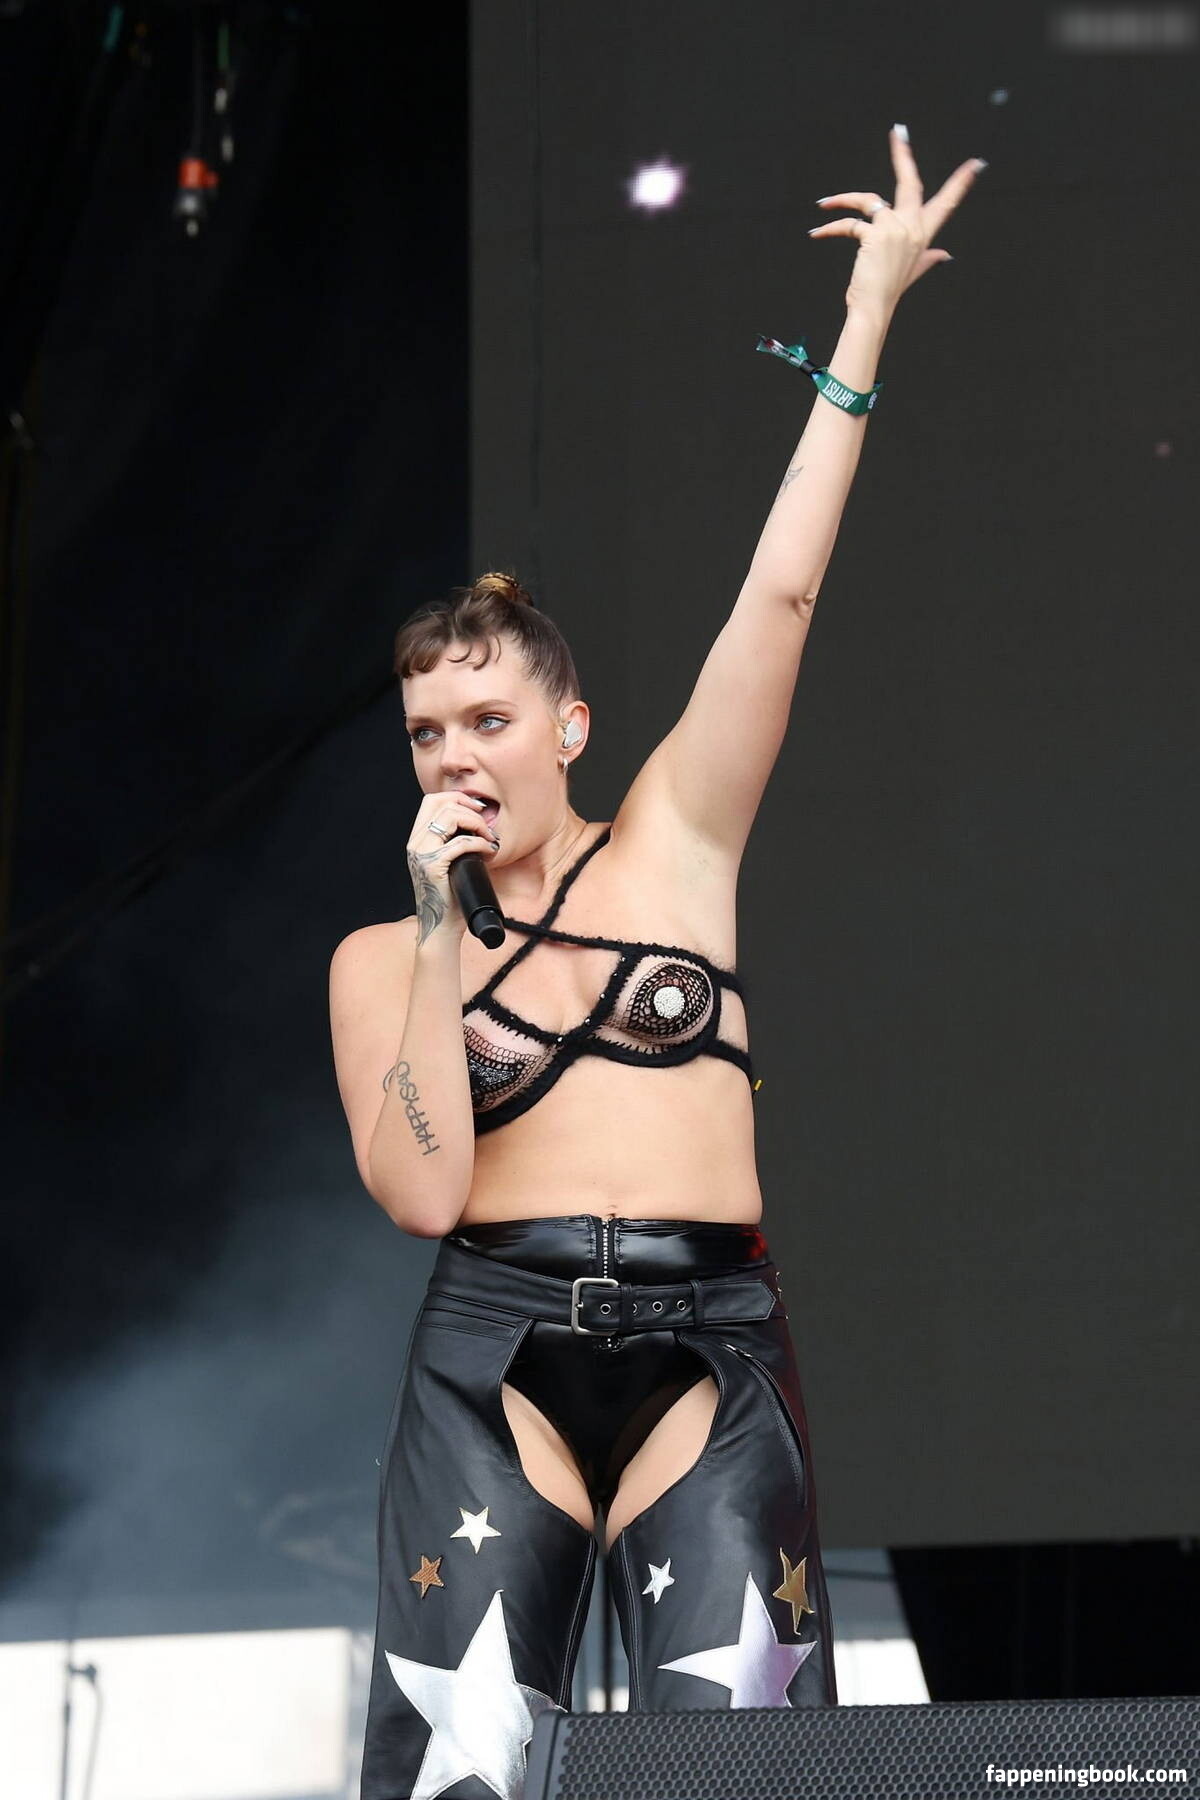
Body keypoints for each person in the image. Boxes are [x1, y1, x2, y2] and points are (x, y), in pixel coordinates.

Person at [330, 126, 984, 1800]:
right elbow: (422, 1193)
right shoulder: (381, 953)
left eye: (488, 720)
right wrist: (435, 933)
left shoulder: (678, 840)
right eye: (426, 734)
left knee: (745, 1756)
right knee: (460, 1763)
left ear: (569, 727)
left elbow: (781, 598)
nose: (456, 756)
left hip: (710, 1327)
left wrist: (865, 323)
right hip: (499, 1342)